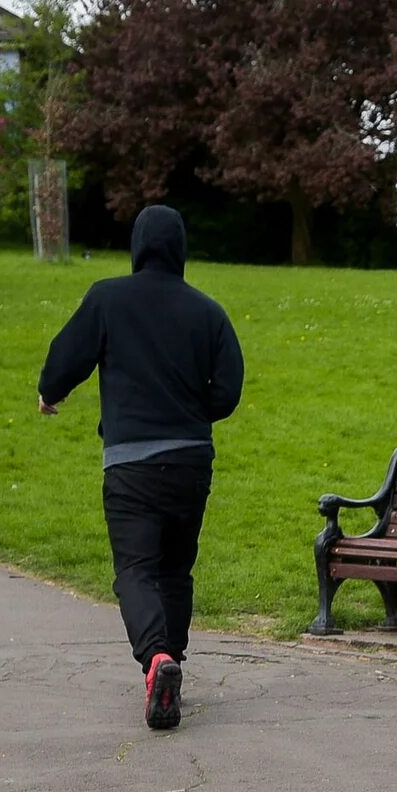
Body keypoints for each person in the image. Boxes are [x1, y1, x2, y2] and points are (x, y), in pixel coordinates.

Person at [38, 204, 244, 730]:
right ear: (180, 250)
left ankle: (156, 659)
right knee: (175, 570)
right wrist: (195, 410)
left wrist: (50, 391)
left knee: (136, 569)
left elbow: (68, 356)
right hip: (191, 461)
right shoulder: (208, 311)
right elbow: (228, 391)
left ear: (136, 247)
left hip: (130, 463)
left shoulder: (108, 298)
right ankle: (170, 664)